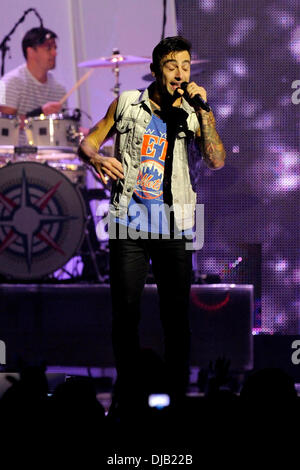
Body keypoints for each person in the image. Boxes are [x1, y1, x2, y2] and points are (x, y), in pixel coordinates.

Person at [79, 36, 226, 407]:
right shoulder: (128, 103)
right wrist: (95, 158)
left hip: (175, 222)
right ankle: (128, 394)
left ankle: (176, 395)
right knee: (126, 314)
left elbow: (216, 160)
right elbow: (88, 143)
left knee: (176, 317)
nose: (180, 74)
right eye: (172, 66)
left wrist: (205, 110)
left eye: (186, 66)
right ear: (156, 70)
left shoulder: (194, 112)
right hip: (129, 221)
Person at [0, 27, 66, 143]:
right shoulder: (9, 83)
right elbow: (5, 127)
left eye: (55, 48)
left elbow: (63, 129)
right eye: (48, 48)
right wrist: (39, 113)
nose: (55, 53)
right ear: (31, 52)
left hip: (50, 155)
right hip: (18, 157)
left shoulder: (59, 89)